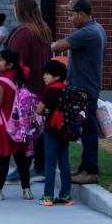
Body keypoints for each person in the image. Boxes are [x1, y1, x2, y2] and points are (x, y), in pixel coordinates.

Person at [51, 0, 105, 185]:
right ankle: (84, 167)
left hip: (85, 89)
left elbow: (58, 46)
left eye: (71, 14)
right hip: (85, 87)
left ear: (82, 14)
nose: (69, 18)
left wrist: (47, 45)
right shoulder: (95, 28)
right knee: (84, 130)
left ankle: (91, 170)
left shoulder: (87, 32)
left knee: (88, 130)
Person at [7, 0, 53, 181]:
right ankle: (40, 165)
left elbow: (14, 62)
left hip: (26, 91)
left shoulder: (22, 33)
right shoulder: (43, 29)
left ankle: (24, 168)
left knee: (24, 130)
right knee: (39, 128)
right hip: (42, 87)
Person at [0, 49, 33, 201]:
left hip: (4, 125)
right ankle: (27, 190)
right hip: (19, 124)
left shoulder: (1, 82)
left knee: (3, 158)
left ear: (9, 65)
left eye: (1, 60)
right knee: (21, 159)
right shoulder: (19, 78)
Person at [36, 59, 73, 206]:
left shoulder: (50, 90)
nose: (44, 76)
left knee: (50, 164)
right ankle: (66, 195)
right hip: (65, 131)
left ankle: (48, 196)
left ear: (56, 76)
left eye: (47, 74)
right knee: (64, 163)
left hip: (51, 131)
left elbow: (39, 110)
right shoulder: (66, 89)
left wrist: (45, 111)